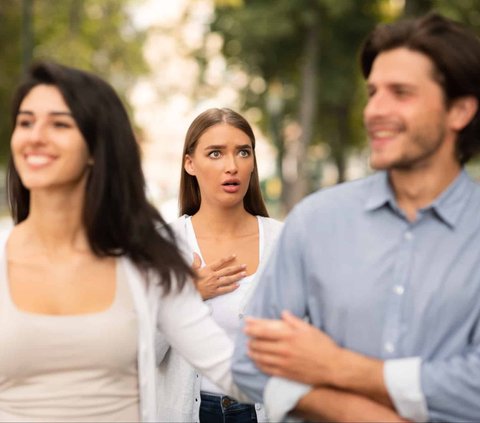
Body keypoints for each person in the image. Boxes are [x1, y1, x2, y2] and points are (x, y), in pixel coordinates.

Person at [232, 12, 480, 423]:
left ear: (459, 111)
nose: (374, 111)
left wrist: (338, 366)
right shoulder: (314, 221)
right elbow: (248, 362)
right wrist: (362, 413)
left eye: (400, 93)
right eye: (372, 92)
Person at [0, 61, 247, 422]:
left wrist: (339, 374)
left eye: (59, 123)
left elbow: (234, 373)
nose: (35, 136)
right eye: (25, 122)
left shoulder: (148, 262)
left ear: (96, 148)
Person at [156, 108, 283, 422]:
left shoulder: (285, 240)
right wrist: (188, 295)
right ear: (190, 164)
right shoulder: (162, 245)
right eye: (215, 153)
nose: (232, 166)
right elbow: (141, 354)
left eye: (243, 152)